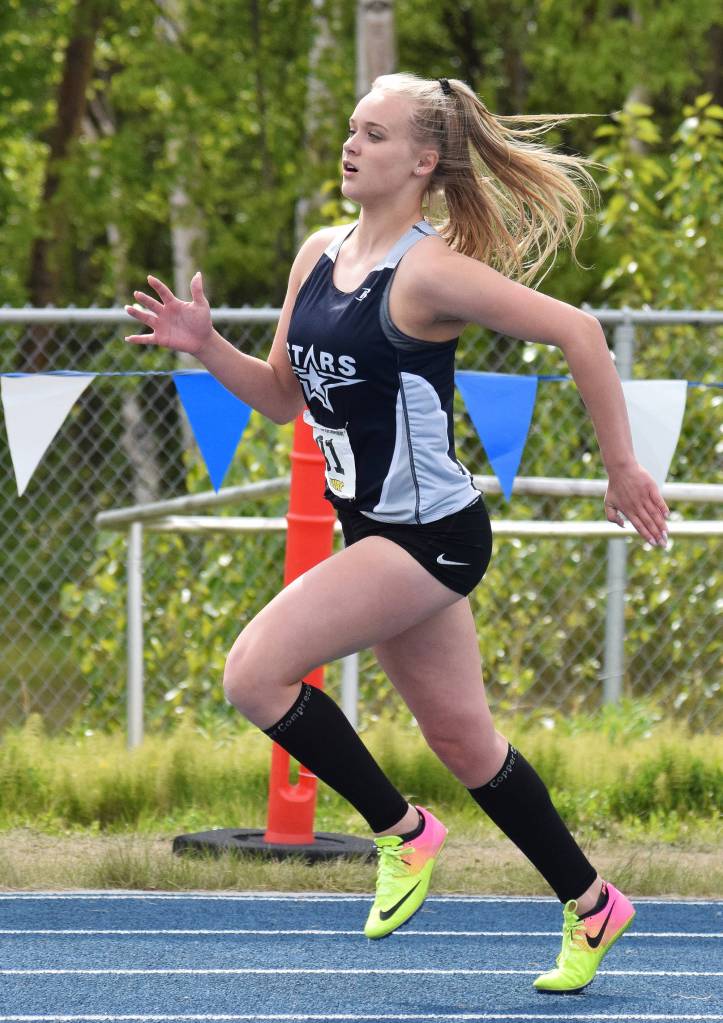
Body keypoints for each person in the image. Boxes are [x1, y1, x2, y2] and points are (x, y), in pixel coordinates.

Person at [125, 72, 670, 995]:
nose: (350, 145)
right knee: (466, 745)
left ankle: (404, 831)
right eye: (349, 129)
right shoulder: (315, 255)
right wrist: (205, 345)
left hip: (432, 536)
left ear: (422, 161)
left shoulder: (431, 272)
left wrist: (621, 465)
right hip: (377, 533)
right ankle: (591, 902)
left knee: (252, 672)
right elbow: (280, 399)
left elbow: (579, 332)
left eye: (372, 135)